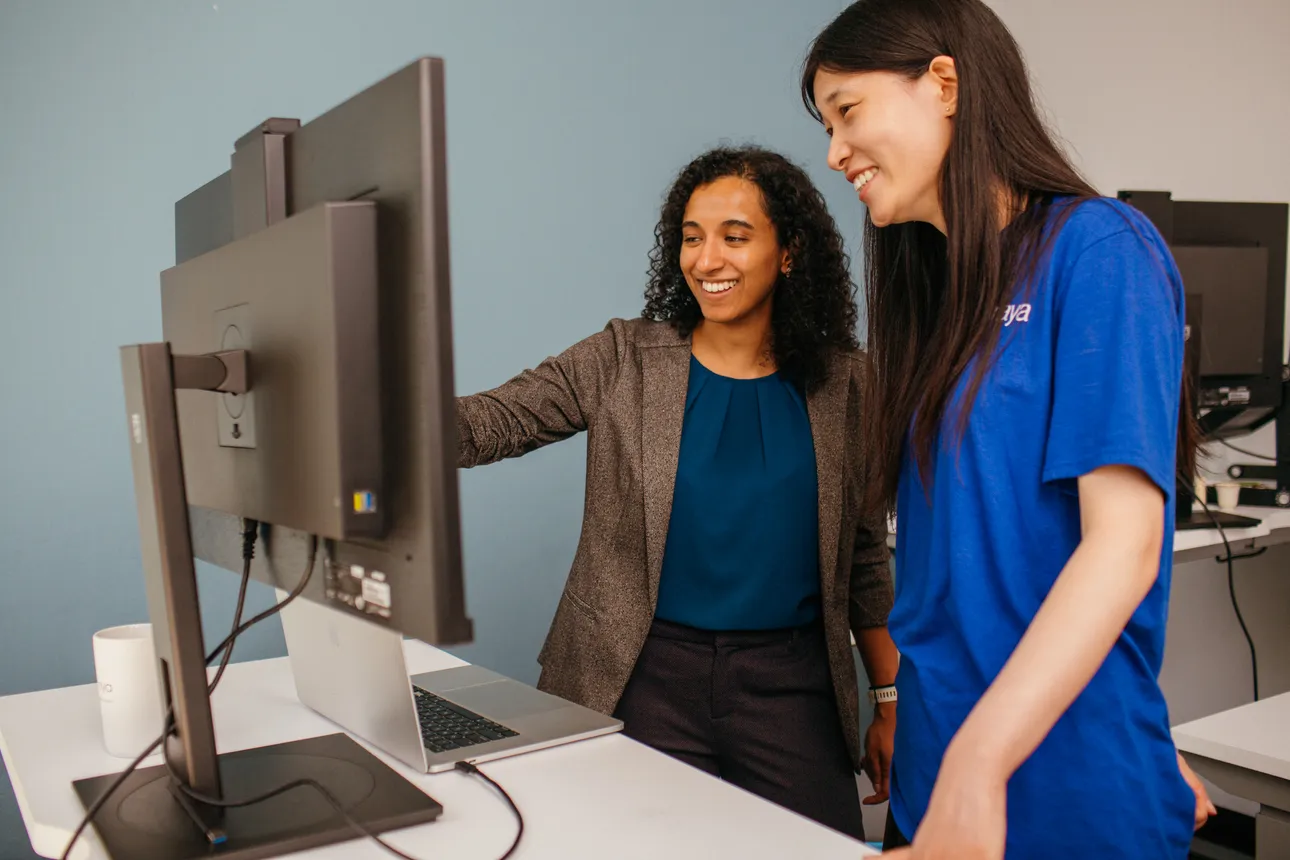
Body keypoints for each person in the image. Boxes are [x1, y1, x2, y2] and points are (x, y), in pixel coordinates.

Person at [800, 1, 1216, 857]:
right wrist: (947, 763)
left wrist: (985, 762)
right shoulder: (935, 301)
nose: (834, 152)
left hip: (1058, 797)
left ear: (944, 84)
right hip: (935, 785)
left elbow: (1125, 544)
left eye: (847, 112)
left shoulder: (1098, 249)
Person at [456, 145, 899, 840]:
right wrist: (371, 380)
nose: (706, 259)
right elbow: (486, 426)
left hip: (792, 686)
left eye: (735, 236)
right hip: (640, 676)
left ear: (789, 253)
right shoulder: (621, 359)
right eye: (692, 237)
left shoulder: (849, 383)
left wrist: (890, 698)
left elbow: (866, 554)